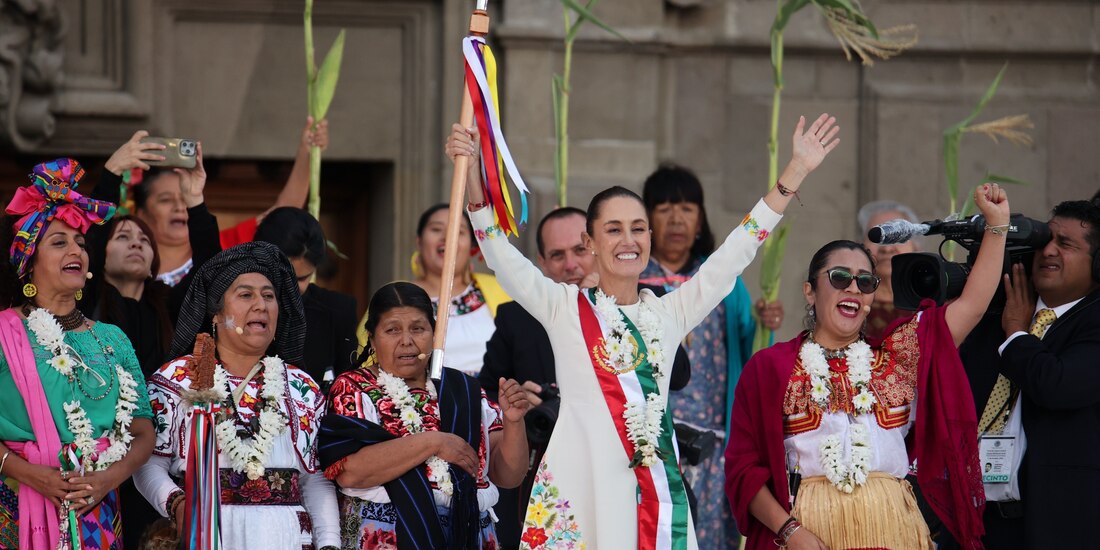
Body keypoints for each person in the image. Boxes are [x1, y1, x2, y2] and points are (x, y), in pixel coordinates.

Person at [448, 112, 840, 548]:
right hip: (581, 488)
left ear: (649, 238)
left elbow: (737, 251)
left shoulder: (670, 313)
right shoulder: (562, 308)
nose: (627, 240)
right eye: (613, 230)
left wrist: (795, 171)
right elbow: (500, 254)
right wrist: (470, 176)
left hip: (654, 494)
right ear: (591, 243)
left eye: (637, 229)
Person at [724, 184, 1011, 550]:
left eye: (865, 281)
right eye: (840, 278)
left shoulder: (897, 357)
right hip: (807, 535)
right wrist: (790, 532)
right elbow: (743, 471)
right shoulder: (770, 367)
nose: (854, 289)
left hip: (894, 530)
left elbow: (971, 305)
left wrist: (997, 225)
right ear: (810, 291)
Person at [478, 206, 694, 547]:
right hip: (555, 469)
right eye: (557, 255)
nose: (571, 264)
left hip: (636, 472)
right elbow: (488, 393)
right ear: (542, 262)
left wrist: (615, 315)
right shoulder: (517, 317)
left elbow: (680, 375)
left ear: (593, 245)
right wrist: (517, 402)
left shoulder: (646, 307)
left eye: (578, 251)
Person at [132, 241, 340, 549]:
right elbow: (148, 461)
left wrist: (330, 544)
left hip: (288, 538)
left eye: (269, 296)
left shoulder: (301, 387)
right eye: (246, 295)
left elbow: (315, 479)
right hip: (209, 534)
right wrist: (176, 503)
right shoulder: (176, 379)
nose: (261, 304)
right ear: (215, 313)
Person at [0, 158, 155, 549]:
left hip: (96, 507)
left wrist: (109, 479)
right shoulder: (3, 331)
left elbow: (143, 430)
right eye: (59, 242)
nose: (76, 250)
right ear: (28, 261)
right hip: (15, 502)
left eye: (81, 243)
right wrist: (32, 473)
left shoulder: (113, 338)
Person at [320, 281, 530, 548]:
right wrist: (434, 442)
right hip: (388, 537)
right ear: (372, 339)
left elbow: (508, 475)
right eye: (392, 330)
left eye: (418, 328)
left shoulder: (464, 389)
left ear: (434, 334)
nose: (406, 340)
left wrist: (514, 422)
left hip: (468, 535)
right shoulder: (353, 388)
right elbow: (350, 472)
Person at [639, 163, 783, 548]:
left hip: (716, 441)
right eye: (665, 207)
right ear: (648, 219)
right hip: (651, 439)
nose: (676, 218)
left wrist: (763, 323)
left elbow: (746, 345)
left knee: (710, 536)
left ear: (700, 219)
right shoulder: (634, 280)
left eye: (687, 208)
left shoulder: (720, 278)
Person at [958, 198, 1100, 549]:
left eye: (1065, 244)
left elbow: (1058, 386)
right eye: (1045, 241)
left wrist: (1018, 335)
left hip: (1055, 528)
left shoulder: (1091, 322)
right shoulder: (1001, 312)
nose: (1048, 251)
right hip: (974, 522)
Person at [357, 204, 509, 377]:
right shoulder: (394, 295)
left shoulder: (502, 290)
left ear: (471, 246)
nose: (447, 237)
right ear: (419, 242)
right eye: (436, 229)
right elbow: (369, 359)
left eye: (459, 231)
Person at [254, 207, 358, 386]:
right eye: (284, 277)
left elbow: (347, 391)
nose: (291, 288)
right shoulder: (237, 308)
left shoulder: (338, 311)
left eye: (302, 278)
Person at [858, 200, 921, 340]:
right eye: (877, 238)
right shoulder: (851, 299)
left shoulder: (932, 303)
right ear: (862, 246)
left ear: (915, 247)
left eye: (899, 238)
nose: (887, 249)